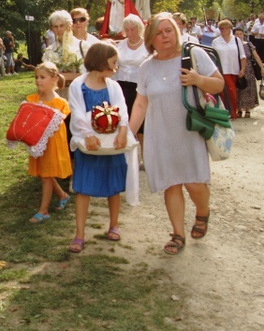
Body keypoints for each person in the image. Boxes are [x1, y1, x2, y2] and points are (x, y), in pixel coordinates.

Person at [129, 13, 225, 255]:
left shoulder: (192, 56)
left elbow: (219, 84)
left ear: (176, 32)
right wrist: (129, 133)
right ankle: (178, 234)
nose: (165, 36)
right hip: (159, 133)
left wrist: (197, 79)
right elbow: (141, 103)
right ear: (150, 39)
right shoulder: (146, 67)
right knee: (171, 185)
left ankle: (203, 211)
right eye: (159, 33)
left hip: (189, 131)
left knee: (194, 183)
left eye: (168, 31)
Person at [67, 43, 130, 252]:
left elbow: (122, 108)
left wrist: (122, 131)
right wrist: (87, 135)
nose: (115, 68)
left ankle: (114, 224)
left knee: (113, 186)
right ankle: (79, 233)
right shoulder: (79, 85)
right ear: (101, 62)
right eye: (113, 63)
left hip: (110, 143)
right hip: (90, 144)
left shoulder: (113, 86)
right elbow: (76, 111)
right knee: (83, 188)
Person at [22, 62, 72, 224]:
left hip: (52, 144)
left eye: (42, 77)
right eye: (36, 77)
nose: (38, 81)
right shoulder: (33, 99)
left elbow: (58, 122)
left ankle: (43, 211)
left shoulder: (60, 103)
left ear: (54, 79)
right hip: (38, 142)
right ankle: (63, 195)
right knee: (43, 173)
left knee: (46, 175)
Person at [114, 15, 149, 163]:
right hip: (121, 86)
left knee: (142, 124)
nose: (130, 32)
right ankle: (126, 157)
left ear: (139, 28)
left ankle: (145, 158)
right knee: (124, 120)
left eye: (133, 29)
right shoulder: (120, 45)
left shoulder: (147, 45)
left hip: (139, 87)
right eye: (127, 29)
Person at [211, 19, 247, 120]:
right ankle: (227, 112)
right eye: (222, 28)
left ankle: (232, 112)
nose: (224, 30)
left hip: (234, 70)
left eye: (227, 28)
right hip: (221, 70)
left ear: (230, 28)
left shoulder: (236, 40)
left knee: (232, 91)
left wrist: (242, 70)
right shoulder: (216, 42)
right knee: (224, 92)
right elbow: (212, 56)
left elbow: (242, 56)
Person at [234, 28, 264, 118]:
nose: (239, 36)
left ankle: (247, 110)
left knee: (248, 89)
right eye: (237, 34)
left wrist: (262, 67)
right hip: (236, 70)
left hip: (249, 70)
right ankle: (238, 110)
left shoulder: (249, 45)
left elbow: (256, 56)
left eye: (240, 34)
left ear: (243, 35)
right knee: (238, 89)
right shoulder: (232, 45)